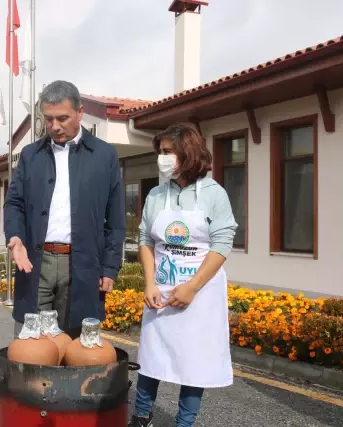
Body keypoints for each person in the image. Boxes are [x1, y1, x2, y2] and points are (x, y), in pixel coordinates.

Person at [129, 123, 238, 427]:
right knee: (153, 355)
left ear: (187, 153)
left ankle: (185, 422)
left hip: (200, 292)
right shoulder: (155, 195)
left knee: (194, 360)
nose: (161, 158)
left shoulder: (214, 194)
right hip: (161, 288)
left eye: (167, 152)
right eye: (160, 152)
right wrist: (150, 282)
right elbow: (146, 241)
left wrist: (191, 287)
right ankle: (141, 415)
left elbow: (222, 244)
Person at [4, 80, 125, 339]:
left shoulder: (104, 156)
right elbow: (14, 203)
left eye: (62, 118)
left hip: (82, 264)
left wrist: (110, 267)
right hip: (36, 263)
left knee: (75, 344)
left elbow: (115, 219)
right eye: (48, 119)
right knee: (31, 344)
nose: (54, 126)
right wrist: (15, 238)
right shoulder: (30, 155)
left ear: (80, 112)